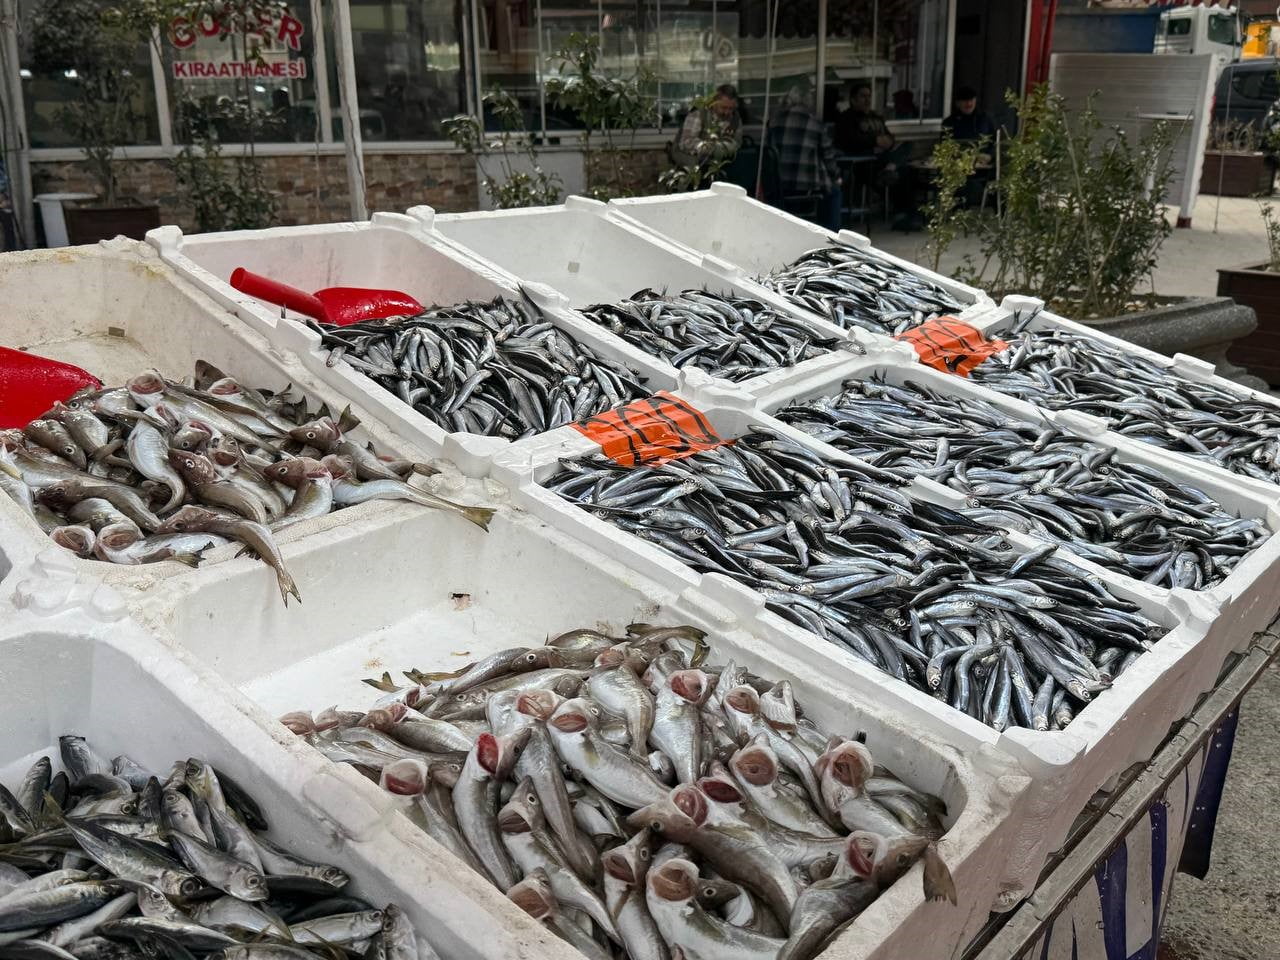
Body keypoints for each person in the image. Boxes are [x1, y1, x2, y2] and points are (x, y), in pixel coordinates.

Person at [769, 84, 842, 231]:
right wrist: (836, 177)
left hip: (779, 185)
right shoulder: (815, 124)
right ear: (808, 102)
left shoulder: (774, 122)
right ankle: (831, 235)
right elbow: (828, 157)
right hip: (807, 186)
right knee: (834, 192)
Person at [942, 85, 998, 207]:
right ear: (957, 103)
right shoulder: (950, 122)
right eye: (964, 101)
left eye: (971, 100)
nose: (968, 103)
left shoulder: (986, 119)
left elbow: (996, 142)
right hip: (959, 167)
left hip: (984, 167)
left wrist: (990, 156)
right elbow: (944, 145)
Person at [672, 84, 744, 169]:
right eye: (724, 108)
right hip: (692, 164)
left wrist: (724, 148)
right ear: (714, 103)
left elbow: (737, 143)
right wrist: (709, 148)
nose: (727, 112)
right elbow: (686, 142)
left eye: (731, 108)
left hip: (719, 165)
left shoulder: (735, 119)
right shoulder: (698, 115)